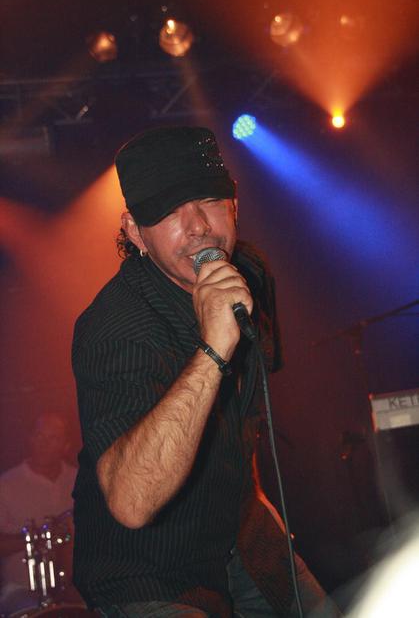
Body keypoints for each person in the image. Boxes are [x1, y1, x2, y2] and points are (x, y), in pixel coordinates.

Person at [72, 126, 341, 617]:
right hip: (150, 571)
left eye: (210, 200)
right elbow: (131, 503)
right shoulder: (115, 326)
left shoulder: (249, 274)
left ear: (234, 205)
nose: (197, 226)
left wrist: (259, 512)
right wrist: (213, 350)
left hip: (241, 540)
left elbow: (242, 421)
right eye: (170, 211)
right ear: (136, 233)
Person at [0, 410, 78, 615]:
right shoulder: (6, 484)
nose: (43, 443)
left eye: (53, 438)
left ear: (66, 445)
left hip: (73, 586)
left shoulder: (79, 479)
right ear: (30, 439)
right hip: (21, 589)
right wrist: (41, 537)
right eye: (39, 435)